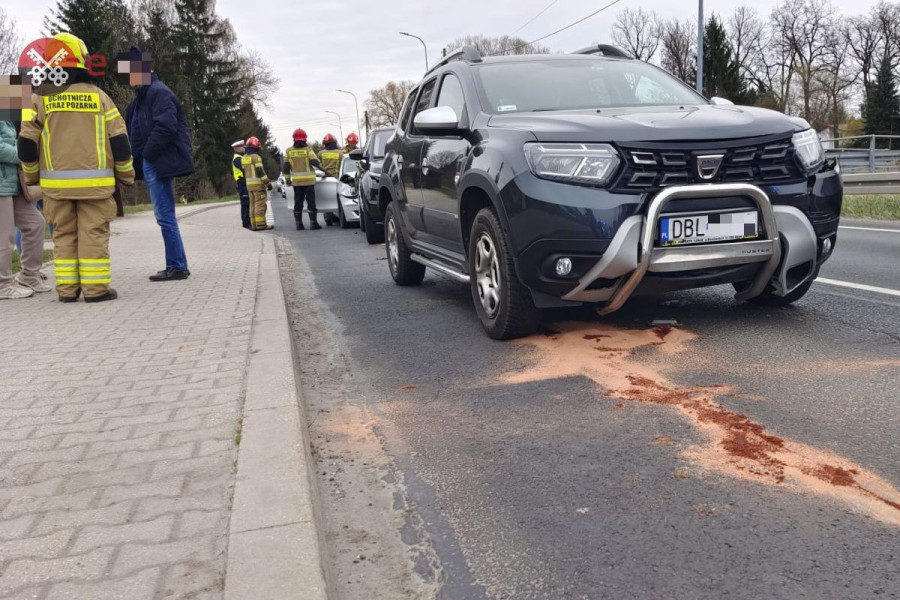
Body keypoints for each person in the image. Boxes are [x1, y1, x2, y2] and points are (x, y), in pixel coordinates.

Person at [18, 33, 135, 303]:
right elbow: (120, 142)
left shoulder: (38, 98)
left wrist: (33, 176)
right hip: (96, 186)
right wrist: (127, 175)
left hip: (55, 187)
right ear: (81, 60)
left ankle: (68, 291)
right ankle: (96, 291)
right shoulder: (101, 97)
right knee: (93, 235)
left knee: (63, 236)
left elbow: (26, 142)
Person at [124, 45, 194, 282]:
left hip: (157, 162)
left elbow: (165, 127)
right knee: (164, 215)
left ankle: (176, 266)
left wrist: (148, 155)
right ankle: (177, 264)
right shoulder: (143, 97)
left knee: (164, 215)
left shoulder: (158, 92)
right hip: (152, 162)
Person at [1, 120, 51, 299]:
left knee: (35, 223)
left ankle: (29, 276)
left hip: (12, 183)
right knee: (4, 236)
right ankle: (3, 284)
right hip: (2, 184)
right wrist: (23, 154)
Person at [282, 128, 320, 230]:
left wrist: (288, 179)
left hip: (297, 183)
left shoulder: (289, 151)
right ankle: (313, 223)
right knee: (311, 202)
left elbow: (286, 166)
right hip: (309, 182)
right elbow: (315, 162)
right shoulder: (308, 150)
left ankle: (299, 224)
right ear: (305, 139)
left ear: (294, 139)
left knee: (298, 203)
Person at [241, 136, 271, 231]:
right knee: (260, 205)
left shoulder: (244, 158)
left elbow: (243, 172)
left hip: (249, 186)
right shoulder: (256, 157)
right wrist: (267, 183)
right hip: (258, 186)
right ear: (256, 147)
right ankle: (261, 225)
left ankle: (253, 225)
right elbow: (260, 171)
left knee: (252, 205)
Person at [231, 139, 251, 229]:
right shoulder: (237, 159)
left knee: (247, 203)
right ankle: (246, 223)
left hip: (243, 183)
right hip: (242, 184)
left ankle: (248, 222)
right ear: (238, 148)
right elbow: (245, 168)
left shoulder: (240, 158)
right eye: (243, 147)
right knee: (245, 204)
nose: (245, 148)